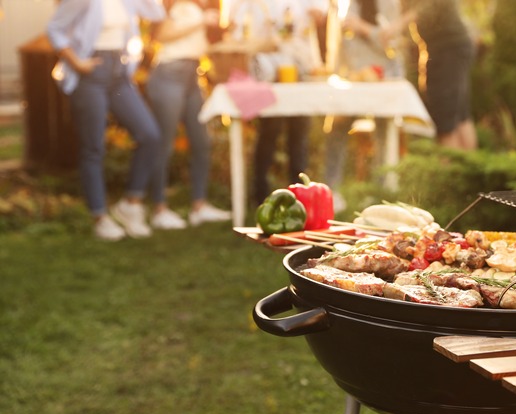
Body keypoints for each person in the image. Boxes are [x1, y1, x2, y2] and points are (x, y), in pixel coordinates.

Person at [46, 0, 166, 241]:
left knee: (150, 135)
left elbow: (156, 12)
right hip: (91, 72)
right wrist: (77, 62)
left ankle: (130, 204)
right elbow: (55, 29)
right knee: (93, 147)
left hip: (119, 74)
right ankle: (99, 216)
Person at [145, 0, 232, 229]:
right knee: (164, 143)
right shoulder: (171, 5)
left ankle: (199, 206)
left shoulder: (200, 6)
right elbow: (162, 34)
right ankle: (159, 208)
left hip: (192, 75)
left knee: (202, 142)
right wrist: (201, 21)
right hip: (169, 73)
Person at [239, 0, 328, 206]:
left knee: (299, 135)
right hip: (271, 71)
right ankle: (260, 194)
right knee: (269, 132)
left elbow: (320, 16)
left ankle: (299, 196)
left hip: (302, 67)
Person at [323, 0, 404, 207]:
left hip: (382, 77)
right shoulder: (349, 4)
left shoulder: (389, 5)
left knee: (384, 130)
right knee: (337, 126)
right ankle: (332, 190)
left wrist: (363, 28)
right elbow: (343, 43)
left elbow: (393, 44)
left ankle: (381, 191)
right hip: (353, 79)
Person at [387, 0, 477, 150]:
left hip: (447, 49)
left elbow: (432, 5)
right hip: (450, 47)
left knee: (445, 121)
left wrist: (399, 24)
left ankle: (450, 172)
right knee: (461, 116)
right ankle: (469, 171)